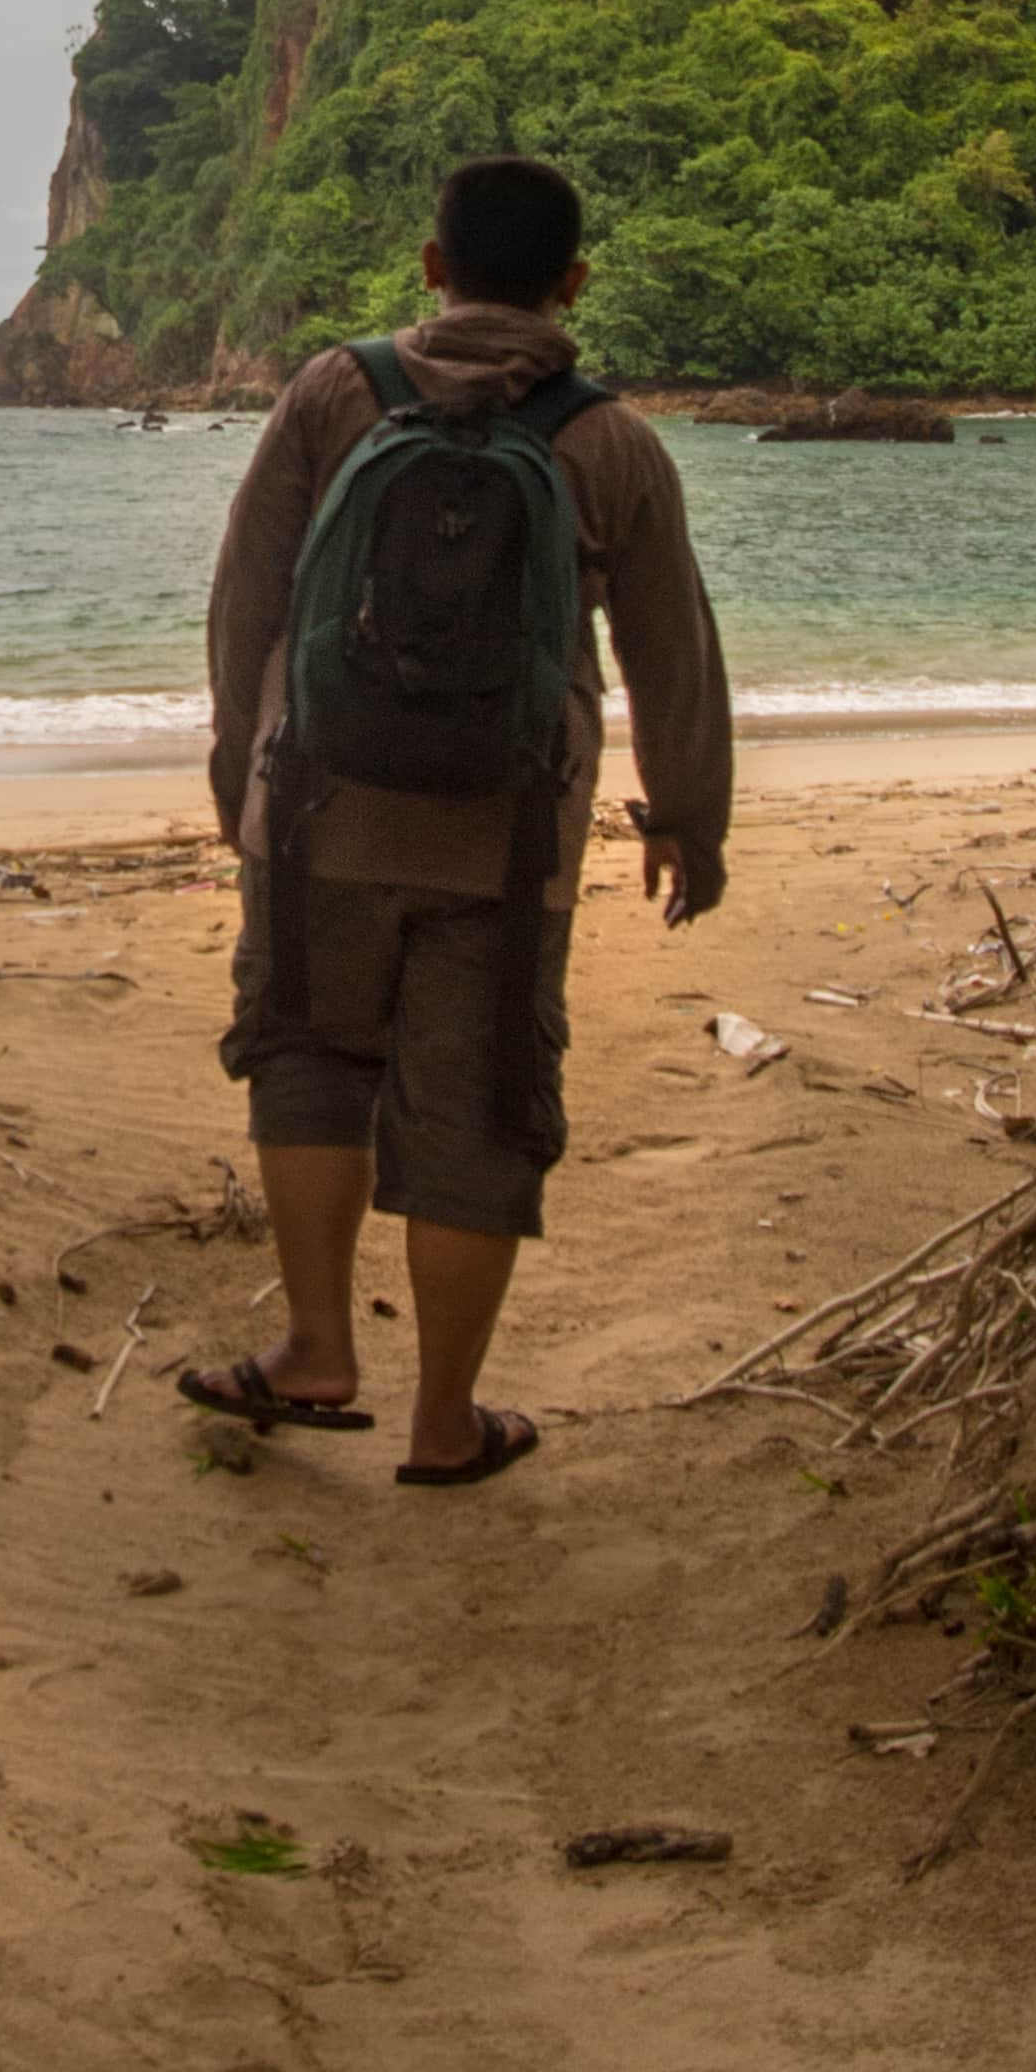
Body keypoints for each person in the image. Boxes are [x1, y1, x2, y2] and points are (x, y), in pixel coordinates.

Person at [191, 153, 732, 1490]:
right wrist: (687, 820)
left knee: (310, 1061)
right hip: (512, 843)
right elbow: (674, 655)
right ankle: (446, 1422)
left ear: (432, 267)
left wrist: (235, 768)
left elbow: (245, 598)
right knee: (479, 1114)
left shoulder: (334, 391)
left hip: (315, 809)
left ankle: (316, 1351)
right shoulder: (612, 443)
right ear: (573, 283)